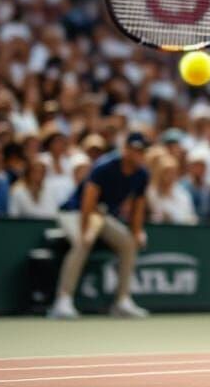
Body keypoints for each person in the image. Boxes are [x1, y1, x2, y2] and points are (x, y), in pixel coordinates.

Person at [47, 131, 152, 319]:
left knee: (128, 243)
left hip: (100, 216)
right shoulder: (104, 166)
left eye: (141, 151)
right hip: (75, 211)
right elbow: (88, 201)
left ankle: (122, 301)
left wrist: (137, 233)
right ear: (125, 149)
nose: (137, 154)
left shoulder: (142, 174)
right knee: (82, 242)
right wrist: (86, 230)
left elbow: (138, 207)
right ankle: (62, 301)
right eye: (134, 149)